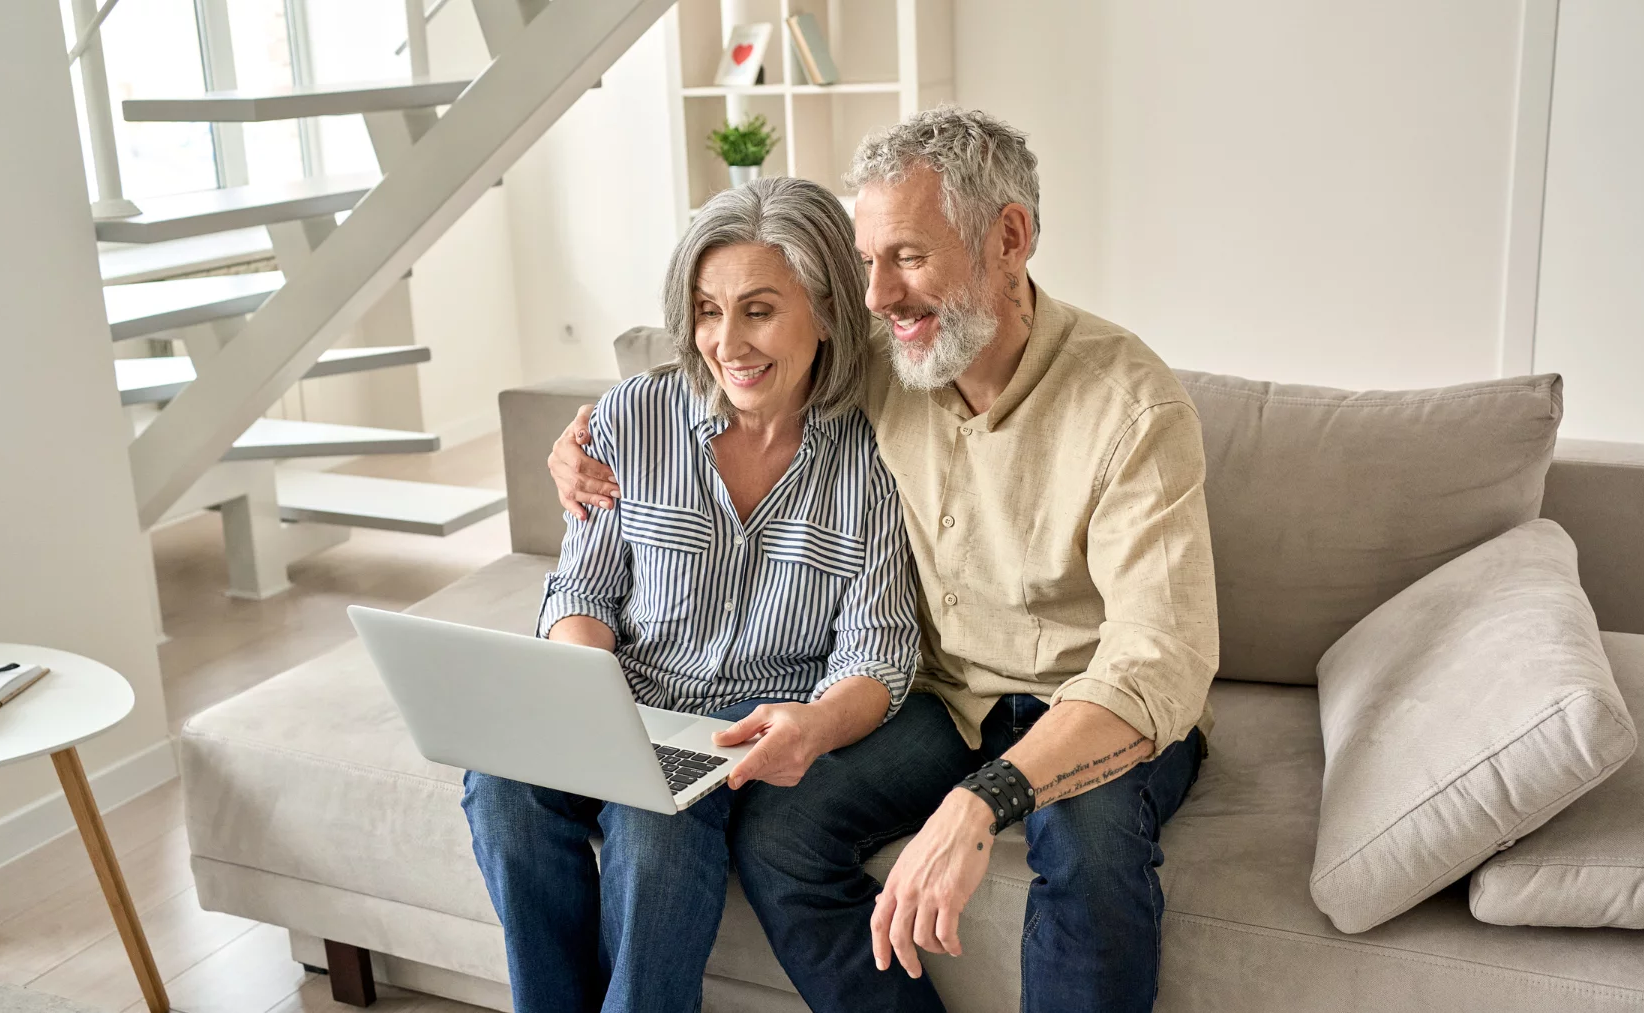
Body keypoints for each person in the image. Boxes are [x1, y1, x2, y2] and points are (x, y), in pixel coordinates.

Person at [553, 107, 1219, 1013]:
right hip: (944, 700)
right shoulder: (884, 353)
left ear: (1010, 238)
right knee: (781, 836)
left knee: (1089, 847)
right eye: (867, 262)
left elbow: (1159, 659)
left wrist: (981, 802)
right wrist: (583, 442)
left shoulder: (1132, 407)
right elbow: (729, 362)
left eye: (906, 256)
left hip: (1091, 704)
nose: (875, 296)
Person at [463, 175, 920, 1013]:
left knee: (655, 824)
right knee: (499, 782)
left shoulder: (877, 455)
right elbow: (583, 586)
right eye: (708, 311)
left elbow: (878, 651)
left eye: (758, 310)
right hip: (621, 691)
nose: (726, 342)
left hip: (742, 723)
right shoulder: (635, 416)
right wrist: (586, 690)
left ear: (826, 309)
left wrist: (816, 724)